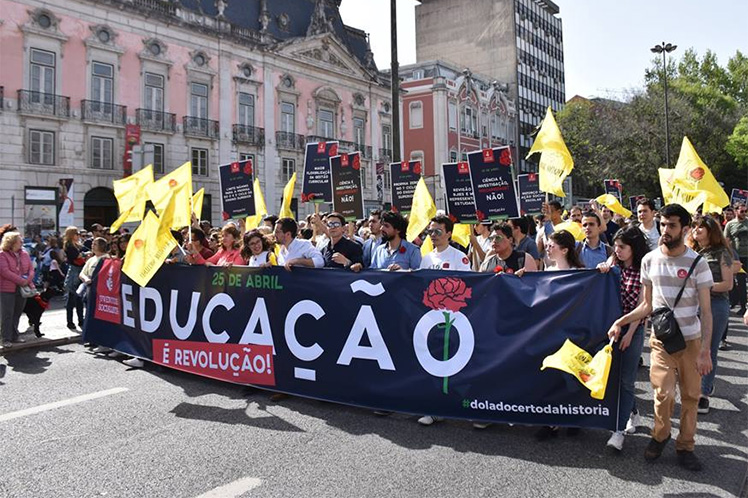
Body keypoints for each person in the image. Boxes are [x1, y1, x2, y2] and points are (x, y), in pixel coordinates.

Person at [608, 204, 713, 471]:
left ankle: (685, 446)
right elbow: (646, 306)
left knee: (690, 396)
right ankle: (660, 435)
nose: (665, 230)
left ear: (685, 229)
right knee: (663, 393)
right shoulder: (649, 260)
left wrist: (705, 351)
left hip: (691, 341)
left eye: (672, 225)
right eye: (663, 224)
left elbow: (707, 312)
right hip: (661, 341)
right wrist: (620, 322)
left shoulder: (698, 264)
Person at [597, 226, 650, 451]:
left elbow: (642, 305)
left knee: (626, 379)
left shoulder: (644, 269)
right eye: (616, 246)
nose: (617, 250)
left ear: (634, 248)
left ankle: (617, 431)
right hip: (611, 328)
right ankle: (633, 411)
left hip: (632, 329)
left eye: (622, 247)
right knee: (615, 376)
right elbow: (604, 270)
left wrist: (629, 332)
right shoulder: (615, 262)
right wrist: (603, 267)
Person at [688, 216, 733, 415]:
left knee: (709, 348)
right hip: (691, 305)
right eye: (694, 226)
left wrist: (703, 288)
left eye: (701, 227)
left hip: (716, 304)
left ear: (711, 231)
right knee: (690, 348)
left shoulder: (723, 253)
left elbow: (728, 284)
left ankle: (704, 393)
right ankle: (695, 386)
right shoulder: (690, 251)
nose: (696, 230)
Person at [0, 231, 35, 349]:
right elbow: (5, 272)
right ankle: (5, 338)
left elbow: (31, 269)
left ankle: (15, 335)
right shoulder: (2, 255)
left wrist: (28, 280)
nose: (22, 242)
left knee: (17, 313)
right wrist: (21, 280)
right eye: (20, 240)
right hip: (7, 289)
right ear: (12, 242)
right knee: (7, 314)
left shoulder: (24, 253)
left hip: (22, 289)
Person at [62, 226, 88, 331]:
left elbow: (83, 253)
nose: (78, 235)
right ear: (72, 235)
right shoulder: (69, 245)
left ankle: (80, 319)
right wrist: (85, 255)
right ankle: (70, 321)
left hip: (80, 270)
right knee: (72, 298)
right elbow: (77, 257)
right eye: (76, 234)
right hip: (74, 271)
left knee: (79, 298)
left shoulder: (77, 244)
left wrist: (84, 254)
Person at [724, 203, 747, 314]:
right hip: (738, 258)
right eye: (742, 211)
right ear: (736, 211)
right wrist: (729, 256)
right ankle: (743, 306)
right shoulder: (730, 225)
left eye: (746, 211)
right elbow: (726, 241)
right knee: (741, 283)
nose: (744, 213)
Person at [536, 201, 563, 269]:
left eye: (551, 211)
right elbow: (537, 253)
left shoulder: (567, 226)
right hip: (549, 271)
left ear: (559, 212)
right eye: (546, 211)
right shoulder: (542, 230)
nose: (548, 213)